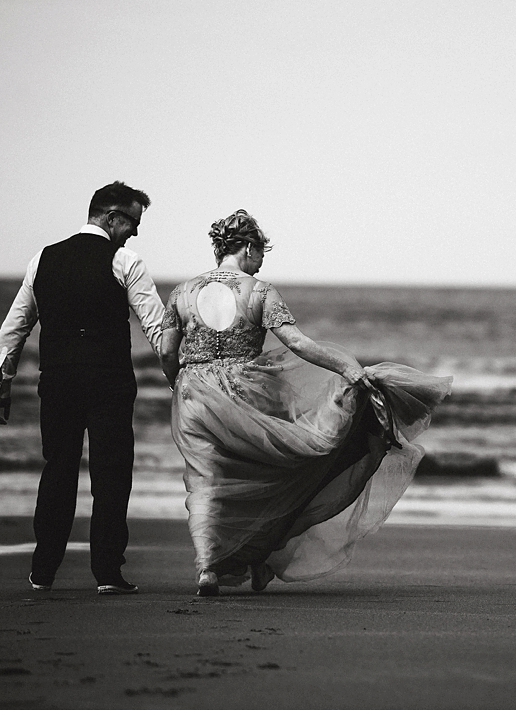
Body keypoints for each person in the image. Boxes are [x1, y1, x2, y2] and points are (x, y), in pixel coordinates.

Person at [160, 209, 452, 596]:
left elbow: (167, 351)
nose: (261, 261)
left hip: (193, 394)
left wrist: (179, 386)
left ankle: (206, 568)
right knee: (265, 477)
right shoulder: (259, 291)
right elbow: (299, 344)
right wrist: (349, 369)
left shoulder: (182, 292)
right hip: (247, 394)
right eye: (261, 253)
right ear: (248, 248)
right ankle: (256, 553)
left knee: (205, 481)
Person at [0, 181, 165, 595]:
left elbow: (15, 327)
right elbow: (157, 327)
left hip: (59, 380)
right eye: (133, 222)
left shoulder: (43, 260)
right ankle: (107, 572)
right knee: (112, 475)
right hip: (110, 381)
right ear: (112, 217)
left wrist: (1, 386)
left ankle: (43, 570)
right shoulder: (125, 260)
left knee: (58, 471)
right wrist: (178, 376)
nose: (136, 232)